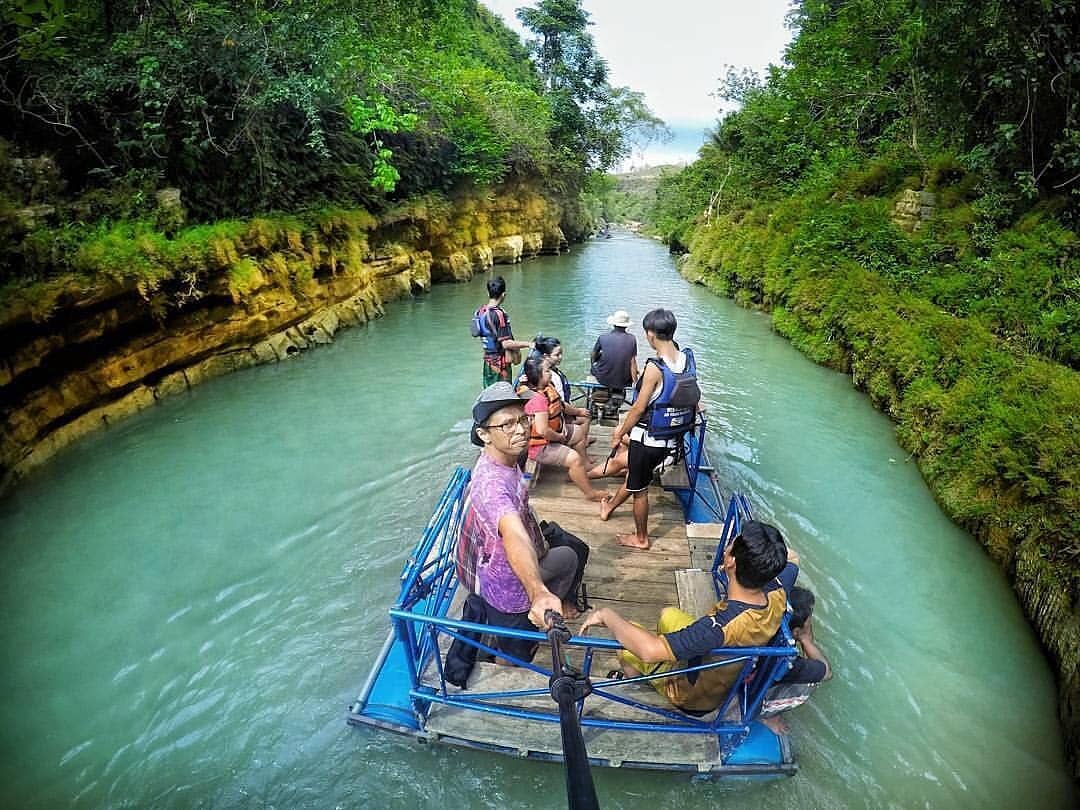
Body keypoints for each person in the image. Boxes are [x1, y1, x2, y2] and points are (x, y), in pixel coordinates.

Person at [579, 522, 797, 715]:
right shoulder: (777, 591)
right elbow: (792, 561)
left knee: (625, 643)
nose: (729, 543)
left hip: (691, 695)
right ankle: (669, 654)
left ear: (732, 562)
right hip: (728, 663)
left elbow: (649, 651)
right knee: (668, 615)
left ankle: (636, 684)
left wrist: (605, 615)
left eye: (732, 543)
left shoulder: (717, 627)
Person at [456, 382, 580, 664]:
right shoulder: (491, 487)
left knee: (570, 556)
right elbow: (513, 533)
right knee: (516, 654)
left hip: (521, 557)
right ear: (483, 435)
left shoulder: (509, 457)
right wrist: (537, 592)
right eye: (507, 424)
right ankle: (509, 657)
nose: (522, 429)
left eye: (523, 419)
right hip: (507, 585)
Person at [599, 308, 700, 549]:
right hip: (674, 439)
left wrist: (619, 433)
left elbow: (637, 408)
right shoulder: (687, 358)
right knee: (637, 476)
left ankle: (641, 538)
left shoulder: (655, 368)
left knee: (640, 490)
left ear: (650, 334)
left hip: (648, 440)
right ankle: (610, 505)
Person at [520, 355, 608, 502]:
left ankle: (581, 468)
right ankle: (590, 493)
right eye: (547, 371)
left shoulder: (548, 387)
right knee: (574, 458)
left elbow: (561, 406)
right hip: (540, 447)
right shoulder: (537, 400)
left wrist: (578, 412)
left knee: (579, 433)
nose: (550, 373)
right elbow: (543, 430)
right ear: (537, 376)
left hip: (555, 433)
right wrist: (560, 437)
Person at [760, 586, 832, 733]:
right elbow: (827, 673)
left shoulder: (761, 621)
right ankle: (765, 716)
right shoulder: (787, 660)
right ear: (796, 631)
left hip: (737, 674)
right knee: (810, 683)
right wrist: (806, 640)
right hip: (747, 696)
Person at [473, 276, 532, 387]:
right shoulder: (499, 314)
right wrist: (529, 344)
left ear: (488, 293)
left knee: (489, 393)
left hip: (488, 363)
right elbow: (506, 343)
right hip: (500, 365)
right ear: (503, 294)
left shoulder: (480, 312)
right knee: (503, 396)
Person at [590, 309, 639, 389]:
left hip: (603, 379)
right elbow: (632, 362)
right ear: (626, 325)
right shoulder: (632, 339)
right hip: (623, 381)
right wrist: (636, 383)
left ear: (613, 324)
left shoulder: (603, 337)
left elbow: (593, 355)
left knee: (597, 354)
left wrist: (593, 367)